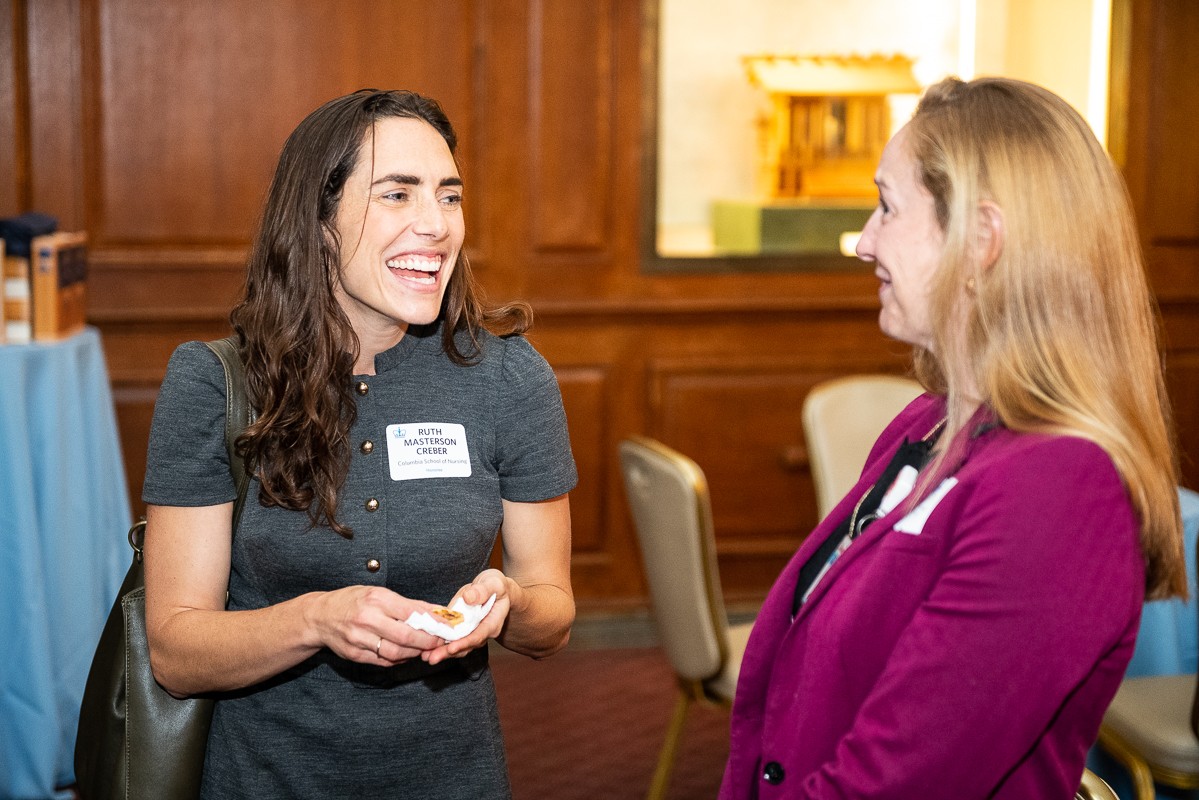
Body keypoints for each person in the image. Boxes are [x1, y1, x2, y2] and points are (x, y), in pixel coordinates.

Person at [720, 76, 1187, 799]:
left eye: (885, 207)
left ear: (980, 239)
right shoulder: (925, 424)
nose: (864, 242)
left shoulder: (1060, 488)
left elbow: (897, 782)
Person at [141, 89, 577, 799]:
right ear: (317, 220)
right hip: (266, 780)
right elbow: (176, 651)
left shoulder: (508, 379)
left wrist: (509, 603)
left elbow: (551, 616)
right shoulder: (215, 382)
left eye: (448, 196)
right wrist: (316, 619)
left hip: (455, 778)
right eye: (396, 195)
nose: (435, 226)